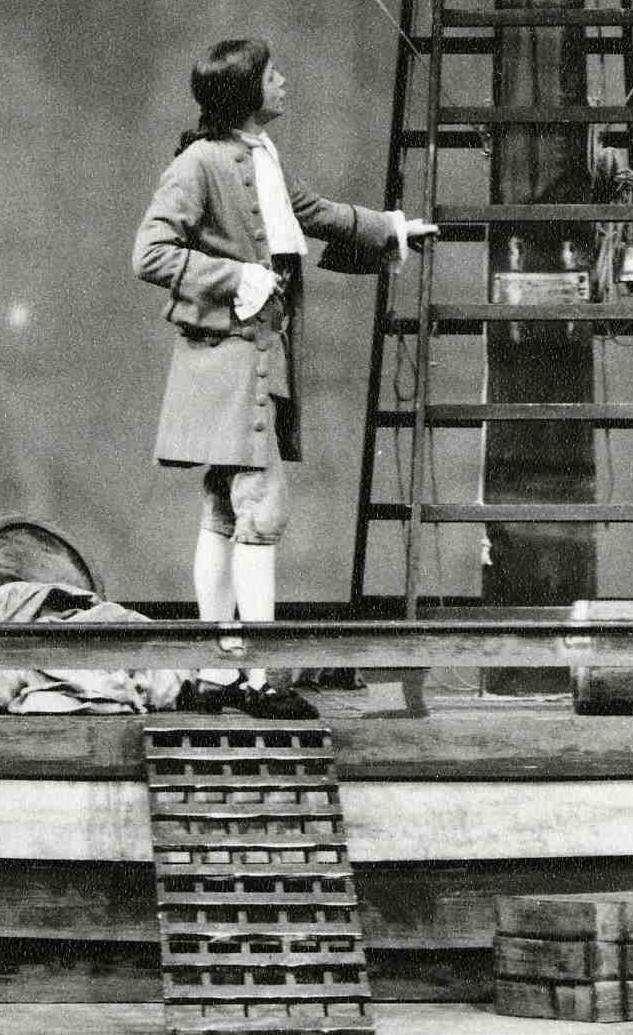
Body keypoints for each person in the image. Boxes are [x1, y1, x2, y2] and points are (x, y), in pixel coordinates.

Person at [133, 35, 431, 716]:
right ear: (245, 89)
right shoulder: (199, 163)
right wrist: (236, 275)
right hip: (232, 359)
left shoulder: (260, 153)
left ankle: (218, 674)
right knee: (261, 509)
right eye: (272, 75)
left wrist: (392, 230)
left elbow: (312, 212)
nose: (284, 80)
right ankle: (260, 677)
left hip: (251, 356)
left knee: (223, 510)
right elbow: (150, 253)